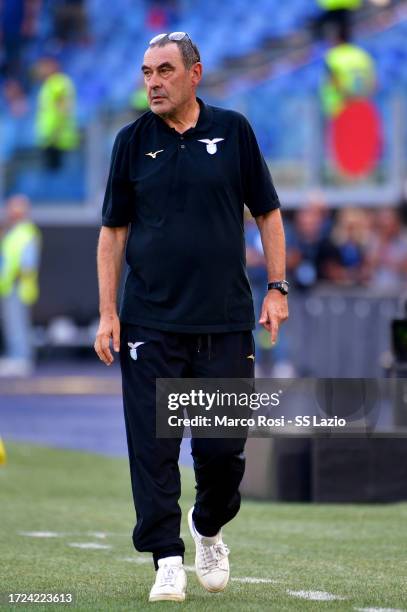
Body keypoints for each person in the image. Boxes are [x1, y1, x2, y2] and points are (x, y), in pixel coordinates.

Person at [94, 32, 288, 603]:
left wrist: (276, 289)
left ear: (194, 74)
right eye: (146, 71)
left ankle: (207, 527)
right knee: (152, 449)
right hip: (148, 322)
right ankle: (166, 557)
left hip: (226, 322)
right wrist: (108, 311)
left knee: (224, 452)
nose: (152, 82)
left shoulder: (234, 132)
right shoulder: (130, 142)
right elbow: (113, 233)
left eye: (164, 71)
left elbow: (269, 214)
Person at [0, 194, 41, 377]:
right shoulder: (13, 231)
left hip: (18, 285)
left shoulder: (25, 232)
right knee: (12, 323)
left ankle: (21, 358)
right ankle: (17, 356)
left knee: (17, 324)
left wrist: (19, 276)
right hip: (10, 285)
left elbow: (28, 262)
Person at [34, 56, 80, 170]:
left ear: (53, 65)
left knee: (62, 179)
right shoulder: (49, 84)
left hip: (59, 140)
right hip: (50, 140)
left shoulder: (59, 83)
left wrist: (56, 134)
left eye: (43, 66)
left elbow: (64, 109)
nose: (40, 69)